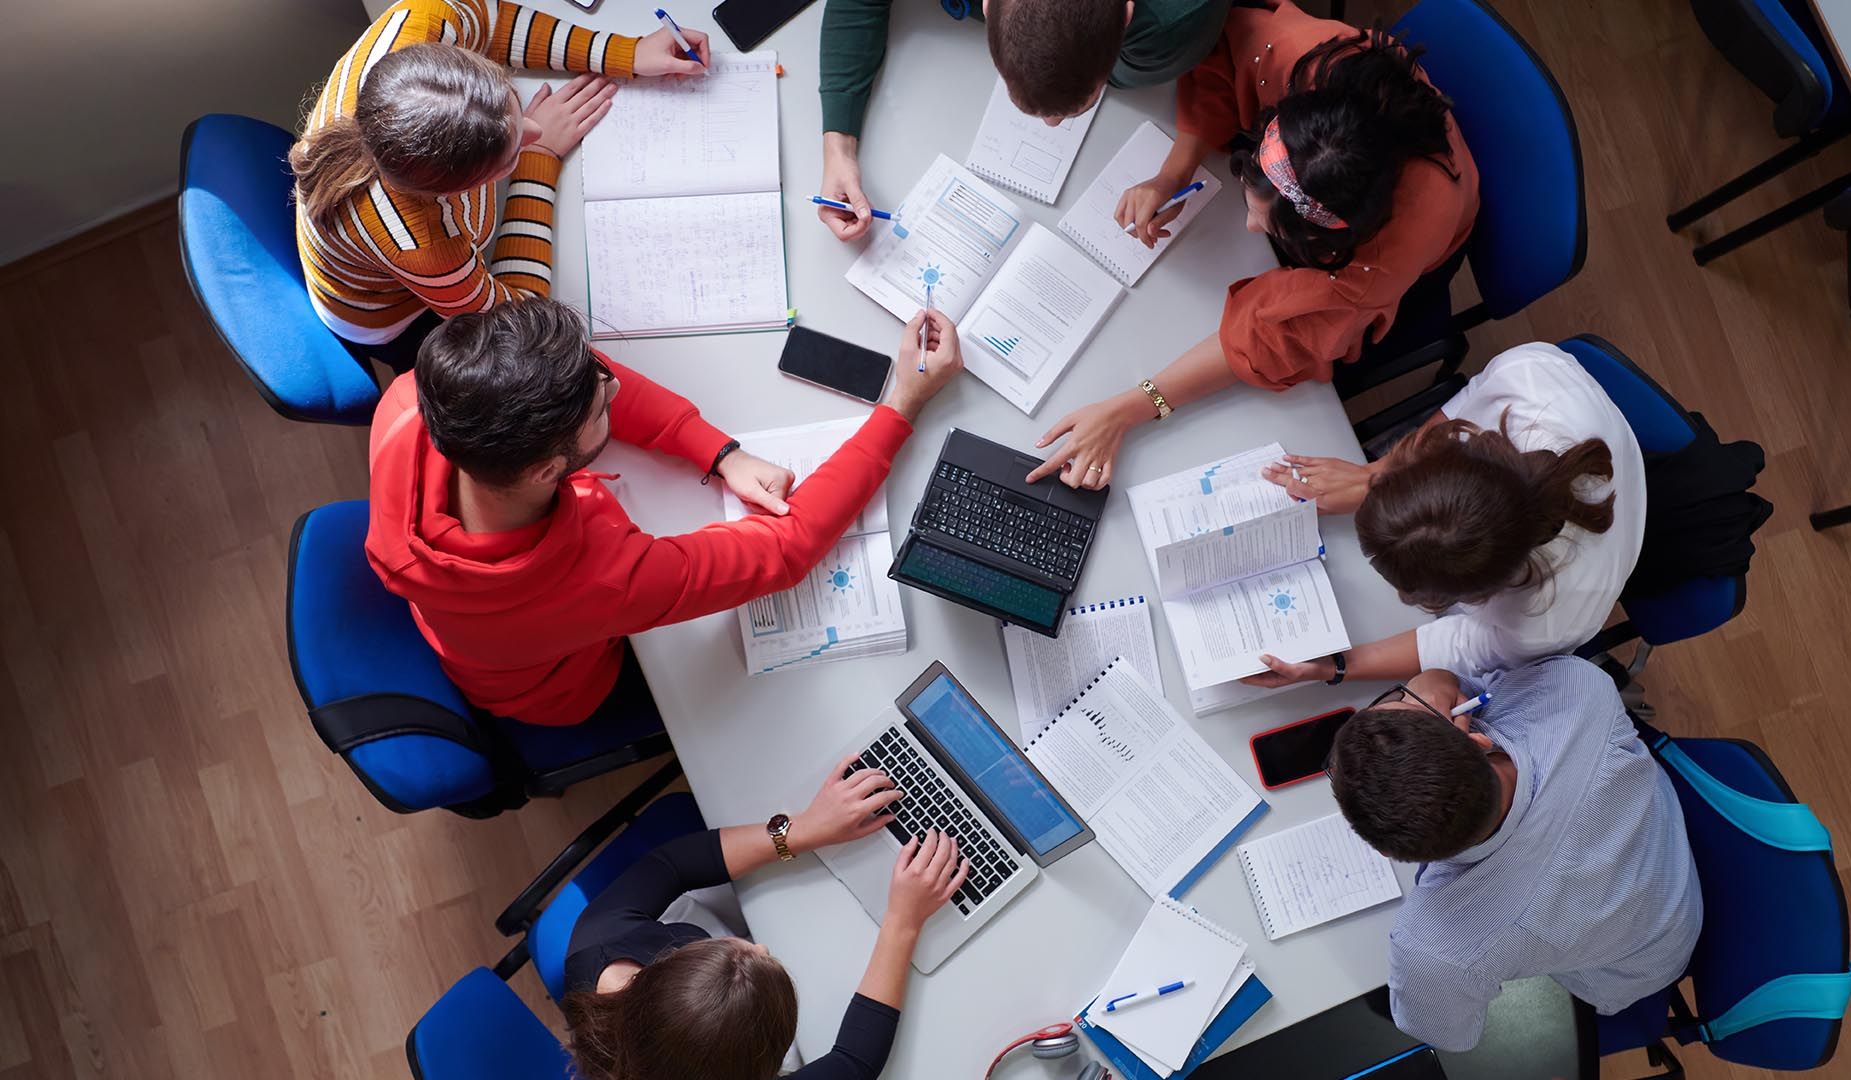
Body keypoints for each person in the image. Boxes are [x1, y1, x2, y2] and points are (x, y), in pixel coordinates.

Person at [364, 296, 962, 727]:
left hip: (470, 633)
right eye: (603, 410)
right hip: (562, 689)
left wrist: (717, 450)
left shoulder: (416, 402)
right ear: (547, 469)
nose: (614, 389)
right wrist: (903, 406)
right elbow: (785, 550)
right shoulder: (602, 583)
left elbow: (575, 381)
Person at [1027, 2, 1477, 492]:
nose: (1245, 225)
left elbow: (1276, 335)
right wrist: (1171, 175)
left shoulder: (1385, 256)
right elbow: (1221, 63)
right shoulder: (1294, 52)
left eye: (1267, 226)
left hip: (1423, 253)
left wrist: (1129, 409)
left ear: (1326, 244)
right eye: (1250, 195)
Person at [291, 0, 708, 371]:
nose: (533, 127)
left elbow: (491, 22)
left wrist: (625, 51)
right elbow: (515, 322)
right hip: (387, 314)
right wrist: (538, 160)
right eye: (509, 156)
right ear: (456, 190)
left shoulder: (422, 20)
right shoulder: (424, 243)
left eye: (513, 103)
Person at [1325, 660, 1701, 1052]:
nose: (1412, 695)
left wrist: (1436, 683)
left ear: (1385, 852)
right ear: (1478, 741)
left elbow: (1446, 1034)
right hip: (1665, 850)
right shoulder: (1577, 690)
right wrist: (1435, 682)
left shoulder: (1439, 951)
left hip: (1637, 964)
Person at [1242, 341, 1646, 690]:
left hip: (1614, 534)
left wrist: (1335, 666)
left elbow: (1464, 644)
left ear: (1479, 594)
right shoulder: (1526, 375)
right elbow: (1464, 408)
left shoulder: (1547, 619)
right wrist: (1371, 477)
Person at [562, 760, 966, 1080]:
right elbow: (854, 1062)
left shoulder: (598, 944)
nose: (761, 946)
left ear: (658, 974)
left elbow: (671, 866)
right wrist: (903, 922)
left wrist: (802, 831)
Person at [816, 0, 1233, 241]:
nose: (1051, 127)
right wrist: (838, 147)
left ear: (1126, 17)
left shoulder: (1174, 20)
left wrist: (1175, 172)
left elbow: (1223, 60)